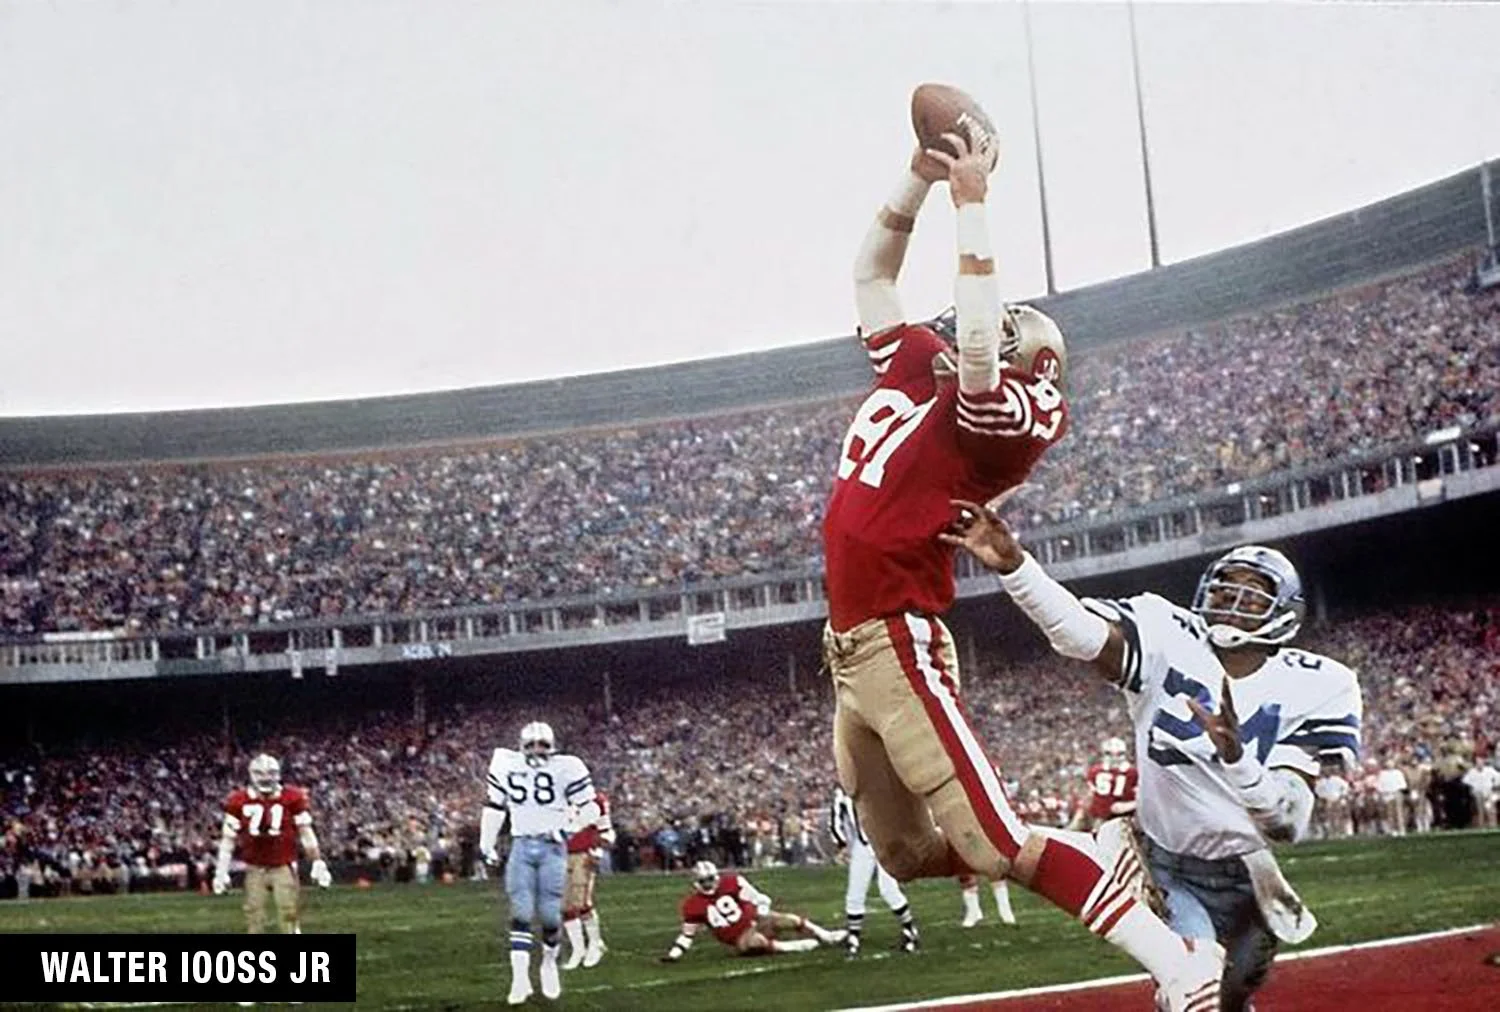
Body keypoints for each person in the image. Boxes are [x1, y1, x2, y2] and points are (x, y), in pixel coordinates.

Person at [820, 122, 1222, 1012]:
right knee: (904, 854)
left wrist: (971, 207)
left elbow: (976, 358)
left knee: (998, 845)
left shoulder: (1015, 412)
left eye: (1006, 328)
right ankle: (1093, 856)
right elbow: (871, 276)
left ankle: (1178, 961)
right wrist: (916, 179)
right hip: (847, 653)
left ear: (1033, 363)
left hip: (898, 640)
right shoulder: (919, 365)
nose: (979, 325)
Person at [941, 505, 1363, 1012]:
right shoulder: (1168, 632)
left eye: (1252, 592)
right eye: (1224, 588)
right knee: (1193, 993)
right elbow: (1079, 633)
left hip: (1249, 874)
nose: (1231, 600)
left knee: (1229, 998)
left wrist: (1236, 758)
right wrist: (1016, 567)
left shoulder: (1321, 683)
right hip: (1166, 865)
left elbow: (1286, 824)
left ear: (1284, 611)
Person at [481, 721, 599, 1006]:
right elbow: (495, 806)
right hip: (521, 845)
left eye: (542, 745)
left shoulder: (567, 766)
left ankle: (548, 964)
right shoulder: (506, 763)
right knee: (520, 912)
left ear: (552, 746)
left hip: (552, 849)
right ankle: (519, 979)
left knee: (550, 915)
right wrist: (487, 841)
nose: (536, 750)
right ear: (521, 746)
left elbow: (591, 807)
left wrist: (569, 829)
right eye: (531, 745)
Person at [212, 753, 331, 934]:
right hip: (255, 866)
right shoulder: (238, 800)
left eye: (271, 773)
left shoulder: (292, 797)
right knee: (254, 916)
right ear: (251, 774)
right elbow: (228, 838)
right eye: (260, 773)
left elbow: (306, 832)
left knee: (289, 913)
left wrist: (317, 861)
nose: (266, 778)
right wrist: (221, 870)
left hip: (283, 864)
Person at [658, 861, 845, 961]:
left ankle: (826, 935)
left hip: (754, 920)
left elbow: (758, 897)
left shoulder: (732, 882)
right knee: (756, 942)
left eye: (710, 879)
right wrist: (675, 953)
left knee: (788, 919)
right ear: (696, 883)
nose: (709, 884)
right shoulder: (692, 905)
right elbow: (687, 934)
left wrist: (762, 910)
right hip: (739, 938)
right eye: (704, 881)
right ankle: (792, 947)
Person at [829, 784, 919, 958]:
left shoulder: (877, 782)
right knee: (855, 891)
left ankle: (909, 929)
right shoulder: (844, 791)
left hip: (887, 843)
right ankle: (854, 936)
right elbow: (835, 819)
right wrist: (841, 843)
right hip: (864, 845)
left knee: (888, 889)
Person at [562, 789, 616, 969]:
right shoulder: (554, 797)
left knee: (582, 903)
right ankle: (578, 949)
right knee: (565, 906)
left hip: (583, 853)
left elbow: (606, 831)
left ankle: (594, 943)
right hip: (559, 854)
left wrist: (597, 851)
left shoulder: (595, 799)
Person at [1070, 736, 1139, 833]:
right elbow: (1087, 795)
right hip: (1097, 816)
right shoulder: (1095, 771)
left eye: (1118, 754)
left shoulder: (1132, 773)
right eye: (1110, 754)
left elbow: (1143, 799)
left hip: (1120, 818)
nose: (1114, 758)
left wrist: (1129, 805)